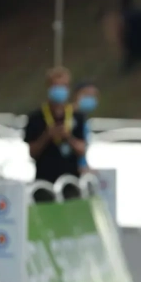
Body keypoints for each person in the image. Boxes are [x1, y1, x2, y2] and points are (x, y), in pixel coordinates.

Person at [23, 66, 88, 201]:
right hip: (44, 182)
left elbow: (82, 149)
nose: (60, 90)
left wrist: (68, 137)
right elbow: (32, 152)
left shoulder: (77, 116)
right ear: (49, 87)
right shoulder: (36, 117)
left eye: (63, 86)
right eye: (56, 86)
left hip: (71, 183)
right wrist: (47, 136)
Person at [72, 82, 99, 174]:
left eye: (93, 96)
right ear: (76, 95)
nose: (90, 99)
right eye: (87, 95)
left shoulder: (84, 121)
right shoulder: (68, 118)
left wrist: (86, 167)